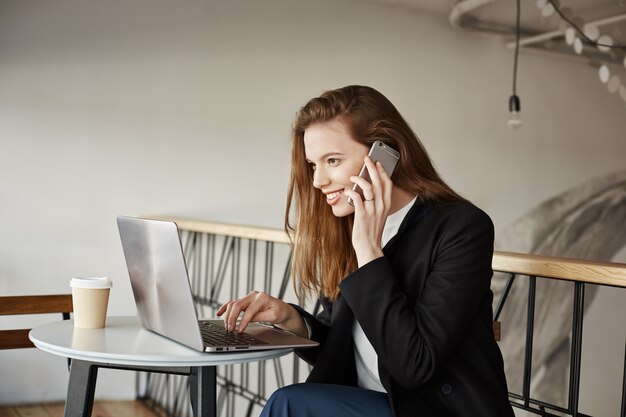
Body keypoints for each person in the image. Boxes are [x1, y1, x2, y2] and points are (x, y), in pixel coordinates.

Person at [217, 85, 514, 417]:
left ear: (384, 155)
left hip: (432, 410)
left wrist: (369, 250)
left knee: (290, 402)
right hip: (369, 403)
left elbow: (413, 365)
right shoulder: (351, 228)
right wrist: (294, 321)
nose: (318, 181)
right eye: (314, 165)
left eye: (333, 160)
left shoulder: (461, 227)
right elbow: (347, 346)